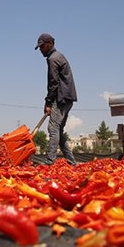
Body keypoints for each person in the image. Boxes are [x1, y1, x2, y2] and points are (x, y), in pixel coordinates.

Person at [35, 33, 77, 166]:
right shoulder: (59, 55)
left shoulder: (53, 59)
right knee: (58, 130)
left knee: (53, 128)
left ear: (50, 44)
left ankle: (49, 162)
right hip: (68, 97)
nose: (41, 49)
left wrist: (48, 102)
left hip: (61, 98)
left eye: (42, 46)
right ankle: (72, 162)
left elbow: (53, 83)